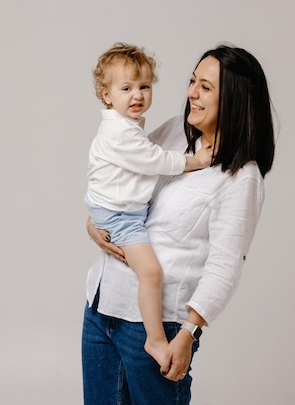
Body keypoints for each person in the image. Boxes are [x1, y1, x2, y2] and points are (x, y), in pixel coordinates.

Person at [82, 43, 276, 405]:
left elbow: (225, 266)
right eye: (192, 81)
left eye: (205, 86)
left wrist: (189, 332)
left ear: (233, 99)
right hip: (102, 309)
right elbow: (117, 177)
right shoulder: (173, 132)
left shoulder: (240, 177)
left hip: (156, 328)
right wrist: (93, 224)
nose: (191, 93)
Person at [84, 42, 213, 370]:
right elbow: (155, 159)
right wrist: (195, 160)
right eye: (126, 88)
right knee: (151, 273)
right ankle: (155, 338)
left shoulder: (128, 126)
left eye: (144, 86)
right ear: (107, 95)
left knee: (149, 272)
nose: (137, 95)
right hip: (121, 216)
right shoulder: (120, 132)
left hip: (115, 209)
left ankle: (154, 335)